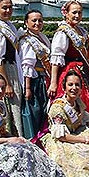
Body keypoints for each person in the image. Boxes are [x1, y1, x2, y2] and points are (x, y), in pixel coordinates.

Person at [49, 0, 89, 116]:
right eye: (74, 12)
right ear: (66, 13)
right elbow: (56, 58)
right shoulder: (62, 32)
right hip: (69, 71)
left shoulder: (81, 30)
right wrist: (53, 82)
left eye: (80, 13)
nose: (77, 16)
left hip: (82, 71)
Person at [17, 9, 53, 140]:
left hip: (43, 79)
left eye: (40, 20)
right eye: (34, 20)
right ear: (26, 22)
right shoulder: (27, 41)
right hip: (33, 82)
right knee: (34, 111)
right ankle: (33, 139)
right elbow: (27, 65)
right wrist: (27, 88)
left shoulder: (41, 37)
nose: (37, 23)